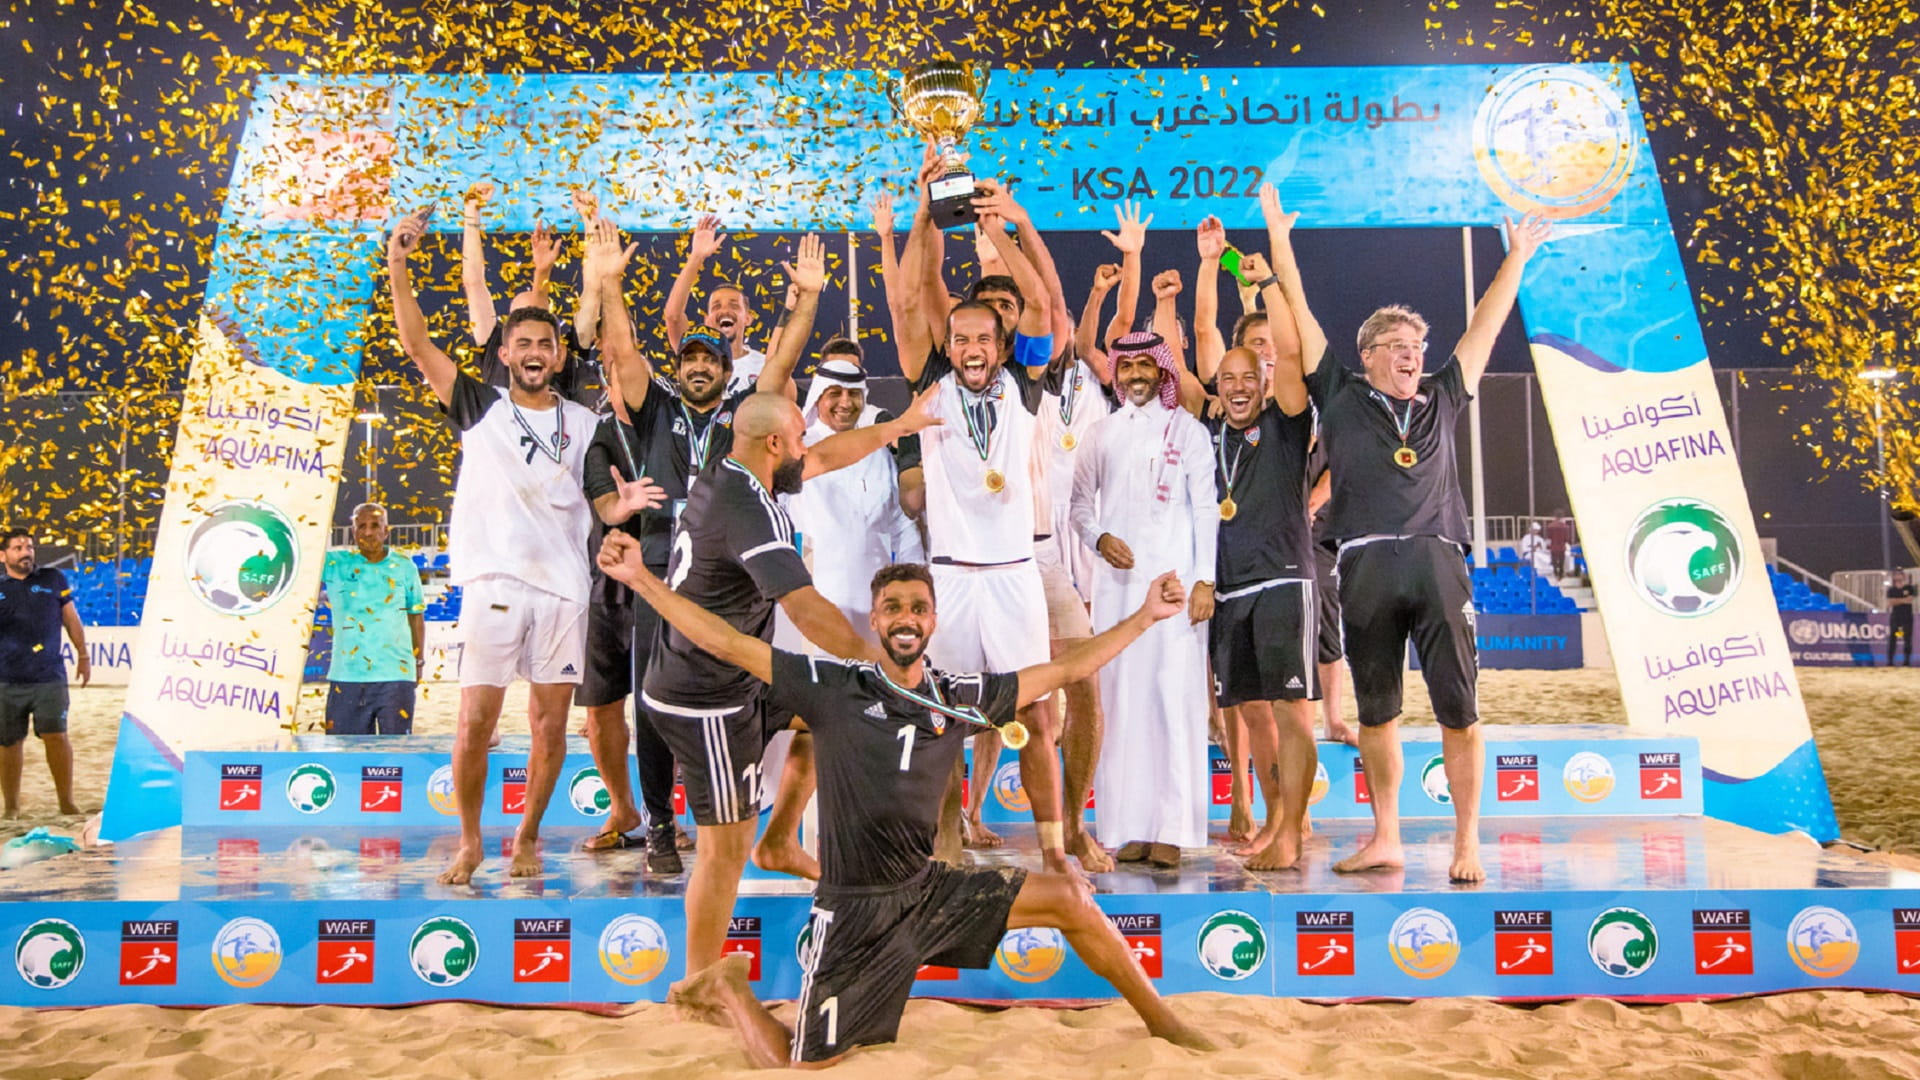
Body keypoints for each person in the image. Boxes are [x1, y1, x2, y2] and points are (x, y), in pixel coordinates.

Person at [598, 538, 1214, 1065]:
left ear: (933, 622)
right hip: (855, 915)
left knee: (1072, 898)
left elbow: (1059, 673)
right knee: (802, 1065)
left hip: (928, 892)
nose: (905, 617)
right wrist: (642, 579)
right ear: (874, 618)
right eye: (893, 606)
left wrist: (1144, 618)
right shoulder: (832, 686)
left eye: (918, 608)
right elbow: (729, 643)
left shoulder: (957, 696)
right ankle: (731, 987)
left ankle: (1164, 1021)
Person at [614, 242, 942, 977]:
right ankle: (698, 979)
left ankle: (784, 838)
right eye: (799, 436)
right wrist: (876, 658)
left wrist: (898, 427)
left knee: (827, 710)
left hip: (730, 676)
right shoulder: (750, 511)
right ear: (774, 443)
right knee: (722, 848)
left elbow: (831, 453)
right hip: (706, 695)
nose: (809, 444)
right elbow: (807, 605)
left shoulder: (733, 466)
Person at [1275, 183, 1551, 883]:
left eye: (1417, 345)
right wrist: (1279, 239)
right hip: (1364, 564)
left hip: (1438, 561)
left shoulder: (1443, 396)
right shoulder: (1336, 389)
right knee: (1378, 712)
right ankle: (1387, 835)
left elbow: (1483, 328)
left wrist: (1515, 257)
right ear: (1367, 353)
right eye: (1397, 345)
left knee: (1460, 710)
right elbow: (1300, 313)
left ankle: (1466, 842)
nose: (1412, 354)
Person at [387, 206, 662, 886]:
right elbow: (419, 343)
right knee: (475, 723)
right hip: (494, 587)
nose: (536, 352)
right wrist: (397, 264)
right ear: (505, 354)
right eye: (524, 344)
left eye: (546, 343)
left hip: (566, 590)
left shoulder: (585, 420)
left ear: (558, 354)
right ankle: (470, 841)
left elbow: (599, 494)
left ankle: (528, 837)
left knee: (548, 729)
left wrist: (618, 507)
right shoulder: (478, 406)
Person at [579, 220, 806, 870]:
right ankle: (657, 823)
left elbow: (784, 366)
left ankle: (730, 816)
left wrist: (802, 304)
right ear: (678, 370)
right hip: (657, 580)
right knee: (652, 705)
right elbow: (622, 351)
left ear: (728, 370)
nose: (699, 366)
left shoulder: (742, 418)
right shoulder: (654, 410)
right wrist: (613, 282)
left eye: (711, 359)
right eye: (690, 359)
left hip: (727, 583)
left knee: (738, 693)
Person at [893, 151, 1077, 872]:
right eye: (961, 337)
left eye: (983, 338)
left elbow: (1040, 306)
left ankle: (1056, 851)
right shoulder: (931, 380)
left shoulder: (1025, 383)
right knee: (941, 718)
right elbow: (912, 299)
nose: (972, 347)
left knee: (1034, 712)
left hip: (1013, 575)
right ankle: (944, 843)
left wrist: (1002, 227)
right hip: (952, 576)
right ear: (950, 345)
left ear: (1003, 346)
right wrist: (925, 211)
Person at [1070, 332, 1217, 868]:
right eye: (1125, 366)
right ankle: (1129, 827)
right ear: (1115, 371)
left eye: (1143, 366)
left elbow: (1206, 510)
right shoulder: (1101, 433)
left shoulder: (1189, 432)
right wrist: (1098, 539)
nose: (1134, 375)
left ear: (1161, 372)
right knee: (1122, 702)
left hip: (1176, 590)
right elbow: (1079, 505)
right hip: (1117, 592)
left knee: (1172, 701)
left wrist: (1206, 580)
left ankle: (1172, 830)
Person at [462, 181, 602, 406]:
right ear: (504, 350)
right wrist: (471, 214)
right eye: (521, 319)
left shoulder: (568, 357)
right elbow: (474, 283)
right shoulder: (494, 348)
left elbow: (594, 289)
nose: (530, 327)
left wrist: (591, 220)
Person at [0, 529, 86, 818]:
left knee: (56, 736)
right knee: (9, 744)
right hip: (6, 680)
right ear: (3, 556)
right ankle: (11, 807)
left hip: (49, 676)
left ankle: (66, 801)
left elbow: (71, 619)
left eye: (29, 547)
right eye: (18, 548)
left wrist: (83, 655)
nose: (26, 552)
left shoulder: (53, 579)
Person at [318, 503, 425, 735]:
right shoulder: (334, 564)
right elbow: (301, 557)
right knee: (345, 756)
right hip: (347, 676)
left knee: (395, 758)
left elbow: (415, 616)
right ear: (353, 530)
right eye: (361, 526)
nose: (368, 532)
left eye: (375, 525)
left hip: (396, 677)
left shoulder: (404, 566)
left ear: (386, 530)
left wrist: (419, 661)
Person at [665, 214, 767, 397]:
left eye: (734, 305)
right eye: (716, 306)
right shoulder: (695, 355)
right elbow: (673, 317)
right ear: (707, 320)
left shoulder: (764, 364)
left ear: (748, 318)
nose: (725, 310)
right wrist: (696, 257)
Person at [1889, 569, 1914, 667]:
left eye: (1900, 574)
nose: (1898, 576)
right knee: (1893, 638)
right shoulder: (1891, 590)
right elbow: (1890, 603)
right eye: (1896, 574)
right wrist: (1903, 600)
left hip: (1907, 618)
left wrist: (1897, 600)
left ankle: (1907, 662)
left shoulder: (1909, 588)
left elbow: (1910, 600)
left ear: (1904, 576)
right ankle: (1890, 662)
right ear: (1893, 577)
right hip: (1896, 618)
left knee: (1907, 639)